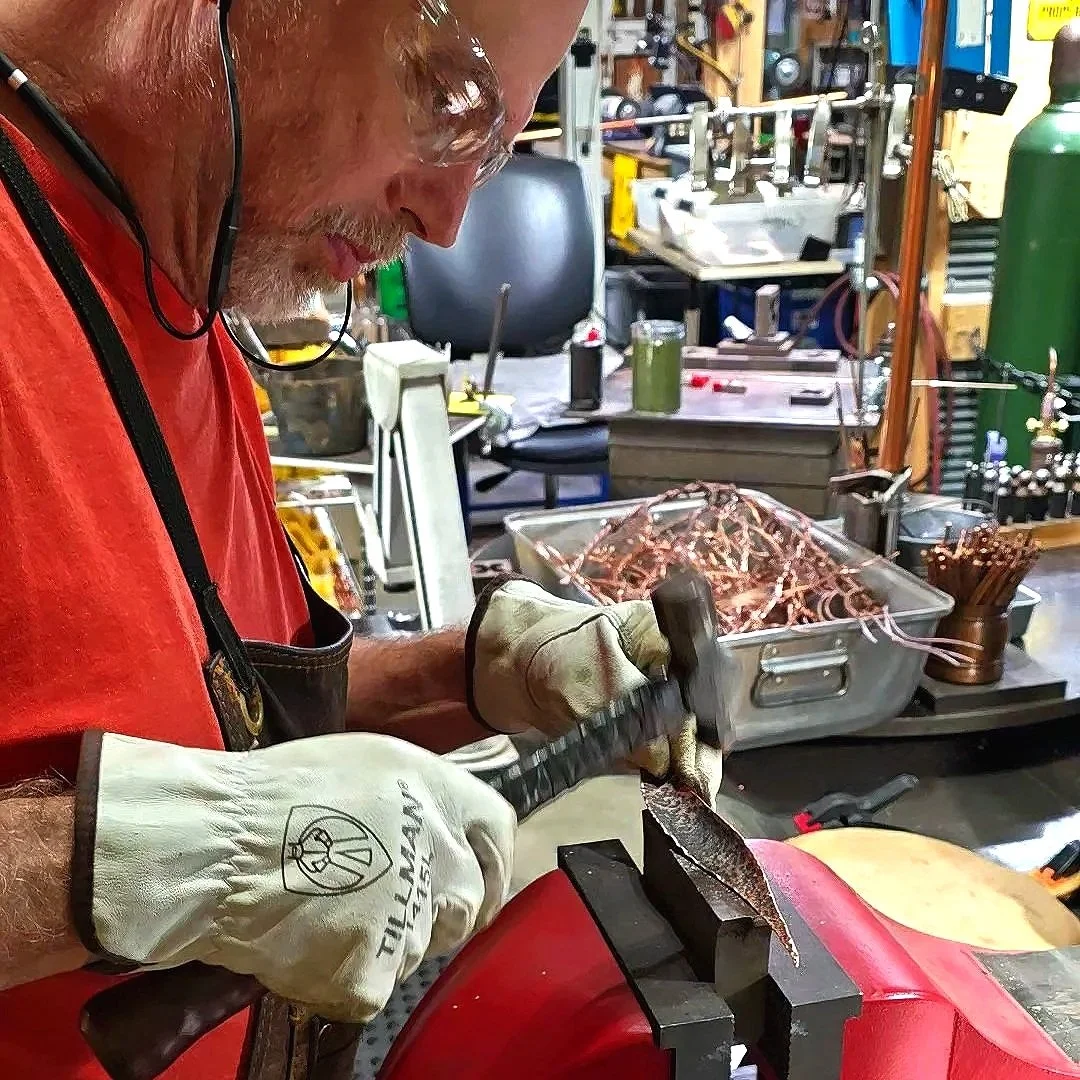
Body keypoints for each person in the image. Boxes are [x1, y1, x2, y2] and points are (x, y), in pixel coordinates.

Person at [0, 1, 719, 1078]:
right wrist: (155, 860)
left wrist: (474, 673)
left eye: (495, 146)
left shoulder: (182, 286)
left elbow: (196, 710)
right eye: (444, 98)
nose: (447, 220)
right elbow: (201, 825)